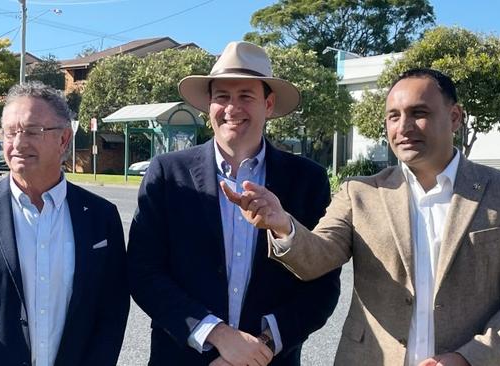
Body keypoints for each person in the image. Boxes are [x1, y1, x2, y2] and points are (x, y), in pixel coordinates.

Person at [222, 68, 500, 366]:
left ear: (455, 117)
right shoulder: (361, 193)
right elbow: (317, 257)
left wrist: (469, 357)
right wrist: (282, 224)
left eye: (419, 113)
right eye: (393, 116)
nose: (404, 127)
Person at [127, 41, 341, 366]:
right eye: (222, 96)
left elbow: (322, 284)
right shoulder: (168, 174)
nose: (232, 108)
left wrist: (261, 347)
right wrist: (217, 335)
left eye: (246, 96)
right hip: (182, 357)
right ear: (209, 104)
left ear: (268, 104)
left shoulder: (306, 181)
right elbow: (144, 272)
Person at [0, 82, 130, 366]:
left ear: (64, 139)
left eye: (33, 131)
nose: (19, 143)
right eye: (10, 132)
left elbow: (111, 311)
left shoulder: (100, 217)